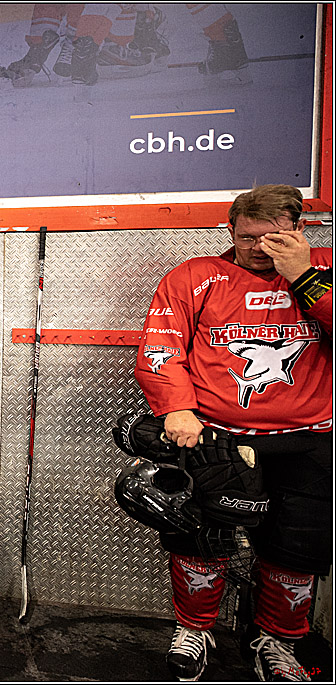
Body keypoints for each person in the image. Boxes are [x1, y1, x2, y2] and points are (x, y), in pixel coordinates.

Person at [135, 184, 332, 681]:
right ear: (230, 230)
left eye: (273, 239)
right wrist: (176, 408)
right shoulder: (195, 276)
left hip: (307, 438)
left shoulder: (323, 270)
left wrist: (303, 275)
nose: (259, 248)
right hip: (218, 437)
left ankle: (277, 642)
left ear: (299, 231)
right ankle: (194, 630)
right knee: (200, 539)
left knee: (297, 547)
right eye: (247, 238)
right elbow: (161, 347)